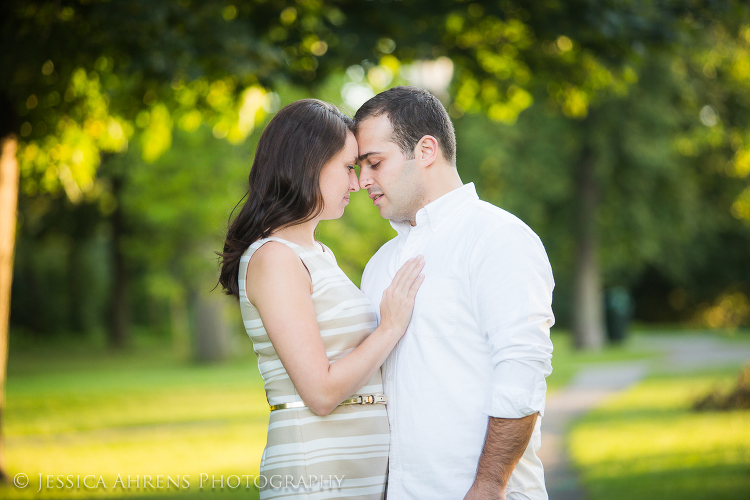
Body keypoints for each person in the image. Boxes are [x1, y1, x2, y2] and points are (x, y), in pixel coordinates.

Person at [354, 86, 555, 500]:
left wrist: (488, 485)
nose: (362, 181)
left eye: (375, 162)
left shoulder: (498, 238)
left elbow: (522, 370)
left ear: (426, 150)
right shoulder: (379, 265)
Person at [218, 99, 425, 499]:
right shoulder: (275, 257)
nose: (357, 183)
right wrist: (390, 327)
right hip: (316, 473)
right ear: (309, 163)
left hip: (359, 472)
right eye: (349, 167)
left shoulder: (320, 254)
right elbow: (321, 393)